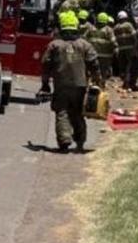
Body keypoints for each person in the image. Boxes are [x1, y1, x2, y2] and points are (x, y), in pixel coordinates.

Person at [40, 11, 100, 153]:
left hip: (61, 85)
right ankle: (80, 142)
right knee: (78, 113)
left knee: (62, 112)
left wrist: (45, 84)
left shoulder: (54, 45)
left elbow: (45, 65)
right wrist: (98, 81)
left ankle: (64, 141)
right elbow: (94, 63)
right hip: (80, 85)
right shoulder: (84, 44)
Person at [87, 12, 117, 81]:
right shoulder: (108, 30)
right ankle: (101, 85)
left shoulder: (91, 28)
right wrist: (115, 50)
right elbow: (113, 42)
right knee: (103, 71)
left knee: (94, 70)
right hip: (105, 55)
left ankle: (95, 84)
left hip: (94, 54)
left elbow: (85, 39)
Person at [112, 10, 137, 90]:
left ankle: (125, 82)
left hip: (120, 49)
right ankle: (129, 83)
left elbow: (114, 39)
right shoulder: (128, 25)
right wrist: (136, 47)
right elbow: (134, 36)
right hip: (130, 49)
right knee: (130, 66)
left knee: (123, 66)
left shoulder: (115, 27)